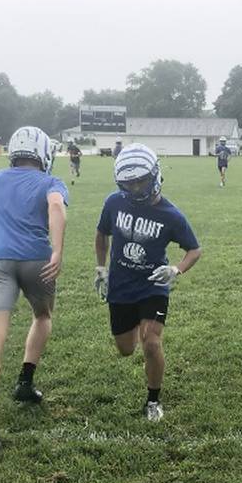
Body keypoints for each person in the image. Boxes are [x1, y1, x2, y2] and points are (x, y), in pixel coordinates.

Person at [0, 126, 68, 453]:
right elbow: (56, 207)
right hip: (37, 261)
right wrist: (57, 249)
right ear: (43, 153)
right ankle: (25, 382)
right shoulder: (50, 182)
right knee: (42, 316)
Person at [94, 143, 201, 421]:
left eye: (141, 181)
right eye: (129, 183)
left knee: (151, 342)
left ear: (155, 175)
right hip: (120, 285)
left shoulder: (171, 215)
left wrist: (176, 270)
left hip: (153, 284)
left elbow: (194, 249)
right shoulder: (114, 203)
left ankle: (153, 401)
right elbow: (101, 233)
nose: (136, 189)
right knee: (126, 349)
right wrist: (100, 268)